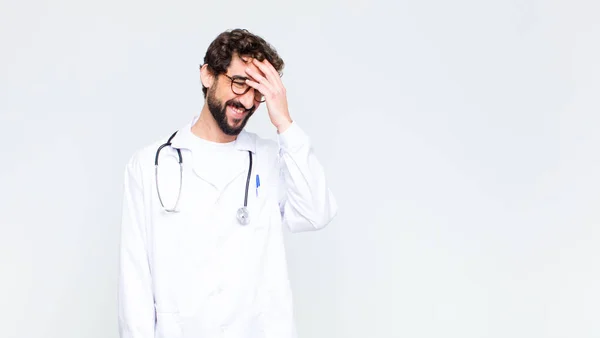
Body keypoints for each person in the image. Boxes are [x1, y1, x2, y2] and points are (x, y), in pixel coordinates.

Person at [118, 28, 338, 338]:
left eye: (258, 92)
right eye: (239, 83)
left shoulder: (270, 157)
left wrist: (284, 123)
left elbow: (317, 212)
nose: (247, 100)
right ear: (207, 74)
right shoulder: (149, 166)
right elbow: (135, 283)